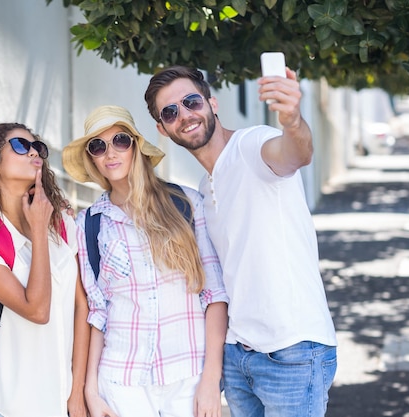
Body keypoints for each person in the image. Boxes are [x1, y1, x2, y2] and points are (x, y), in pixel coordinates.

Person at [144, 66, 338, 416]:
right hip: (238, 354)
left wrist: (292, 120)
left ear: (212, 103)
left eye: (191, 102)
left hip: (291, 350)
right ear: (162, 128)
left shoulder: (252, 145)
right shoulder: (205, 188)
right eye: (170, 112)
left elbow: (296, 153)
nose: (185, 115)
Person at [62, 105, 229, 417]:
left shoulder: (186, 203)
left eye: (120, 141)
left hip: (188, 374)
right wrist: (90, 390)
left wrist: (211, 377)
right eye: (98, 146)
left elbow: (215, 295)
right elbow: (98, 312)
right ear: (92, 158)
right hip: (122, 378)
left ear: (136, 146)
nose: (110, 153)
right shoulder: (88, 224)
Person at [0, 122, 90, 417]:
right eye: (20, 146)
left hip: (62, 404)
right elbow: (37, 310)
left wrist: (77, 391)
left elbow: (83, 308)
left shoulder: (64, 226)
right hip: (5, 405)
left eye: (38, 147)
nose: (34, 153)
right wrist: (39, 230)